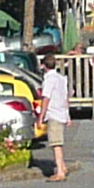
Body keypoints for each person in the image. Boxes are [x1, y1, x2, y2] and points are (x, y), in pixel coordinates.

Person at [37, 47, 72, 179]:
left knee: (56, 143)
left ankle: (60, 172)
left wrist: (41, 117)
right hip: (62, 113)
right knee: (57, 142)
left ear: (44, 66)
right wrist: (68, 116)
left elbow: (46, 98)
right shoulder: (61, 78)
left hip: (54, 114)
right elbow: (66, 97)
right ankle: (63, 167)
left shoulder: (49, 80)